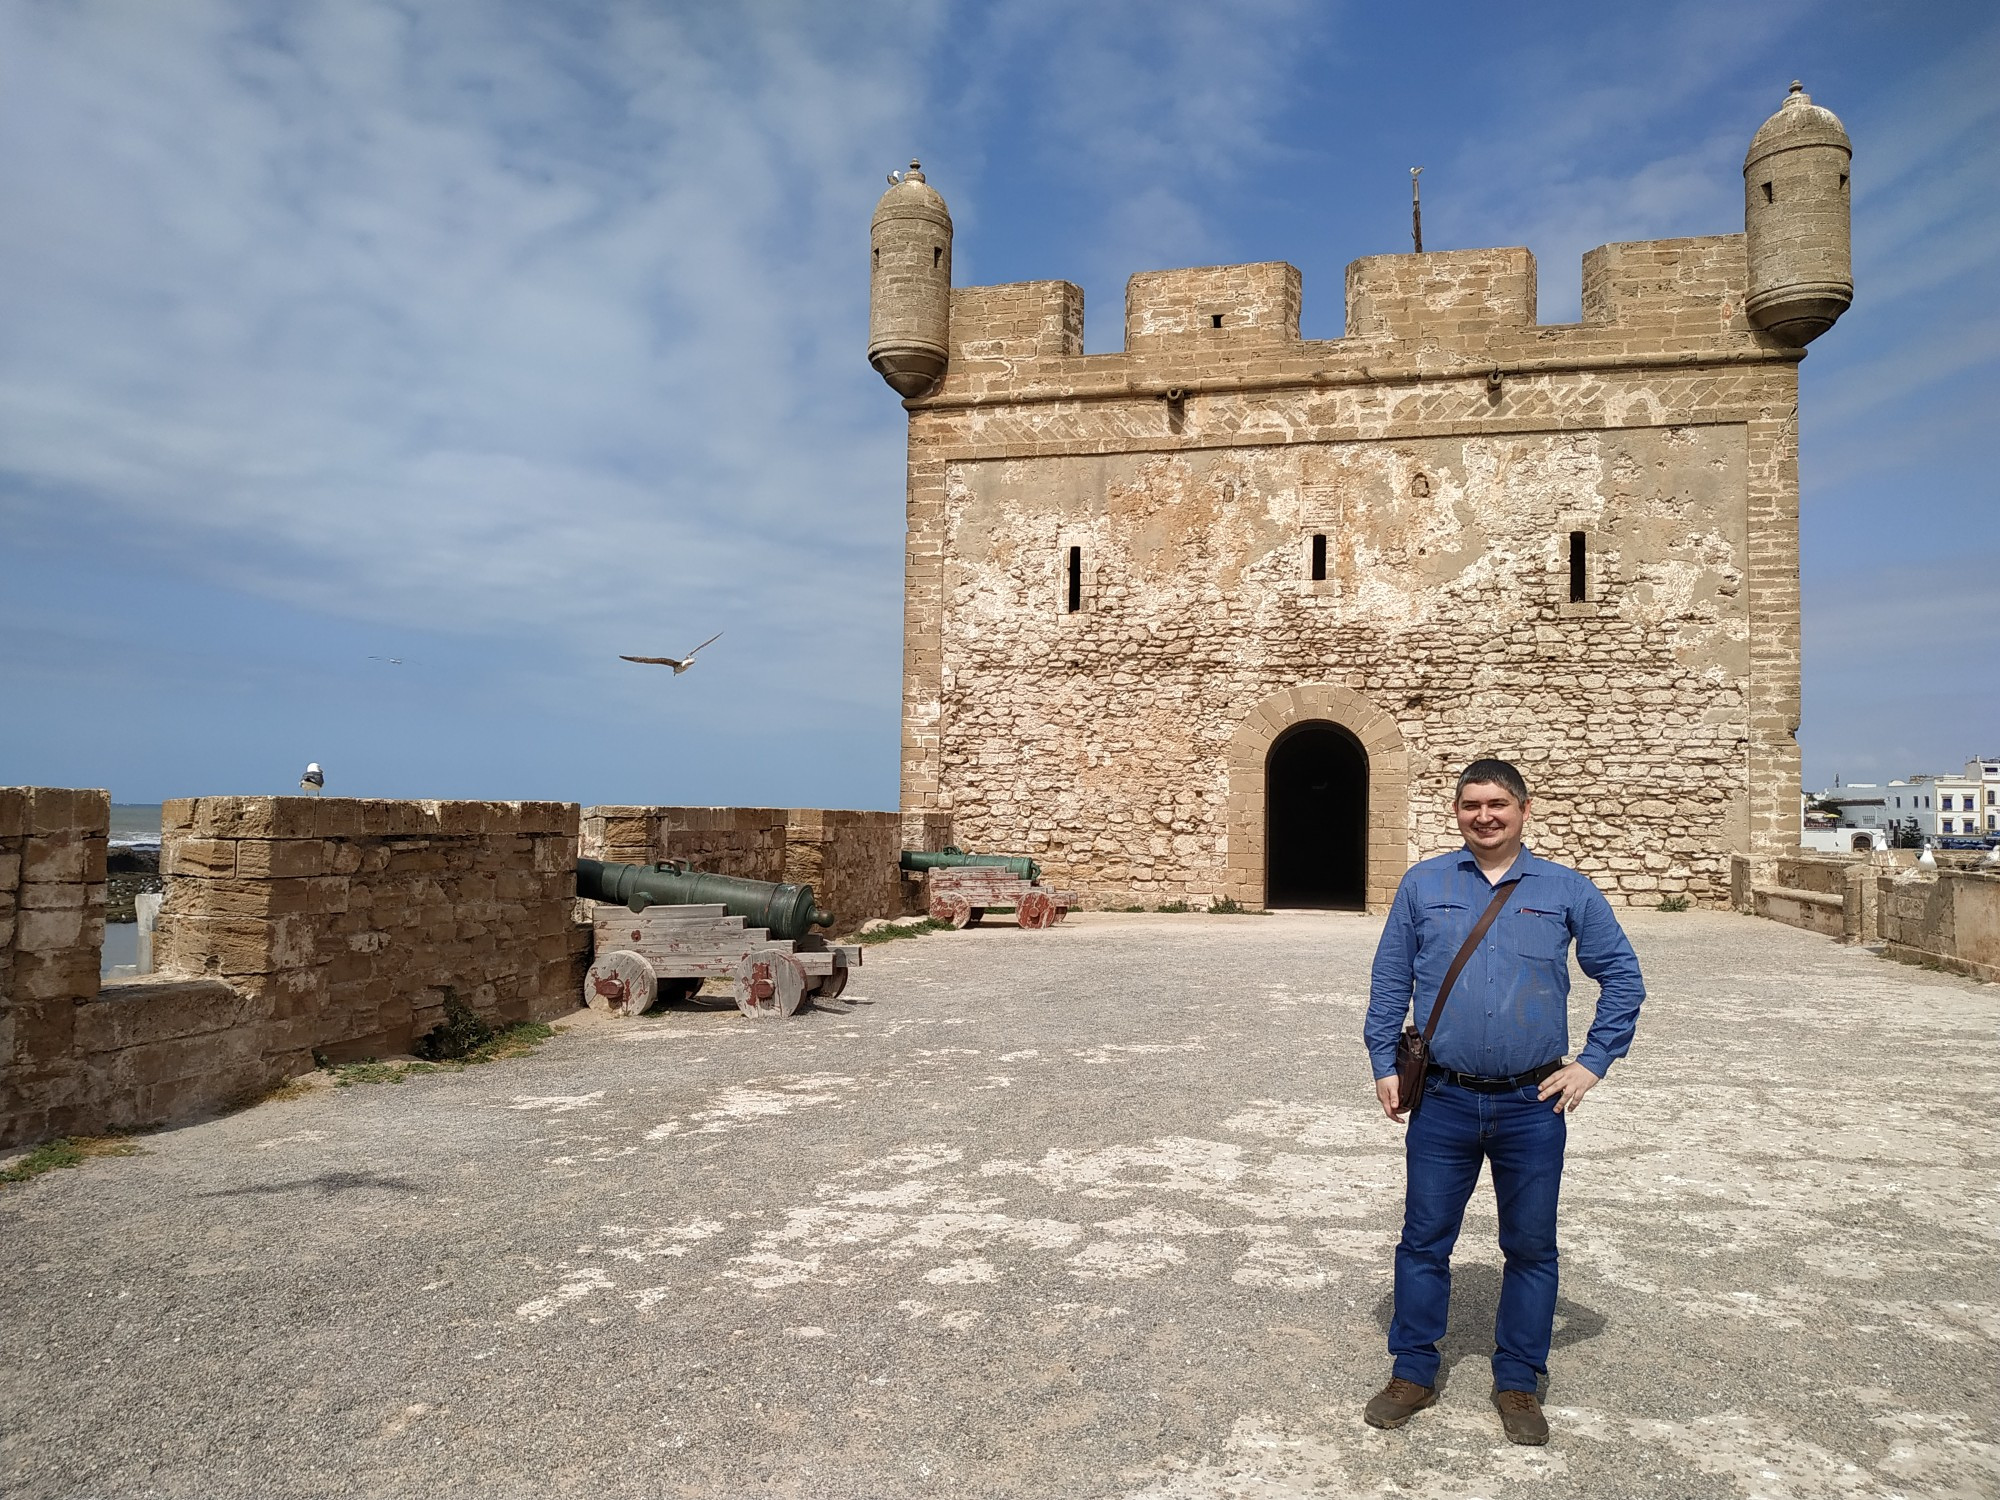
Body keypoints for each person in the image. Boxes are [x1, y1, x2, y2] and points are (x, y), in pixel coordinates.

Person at [1361, 758, 1645, 1445]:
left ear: (1523, 809)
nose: (1484, 816)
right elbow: (1391, 976)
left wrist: (1592, 1065)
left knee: (1531, 1245)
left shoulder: (1566, 889)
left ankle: (1518, 1380)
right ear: (1456, 812)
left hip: (1530, 1103)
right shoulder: (1423, 883)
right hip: (1445, 1101)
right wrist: (1382, 1062)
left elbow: (1624, 979)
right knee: (1424, 1240)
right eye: (1471, 805)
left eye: (1497, 805)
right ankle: (1413, 1370)